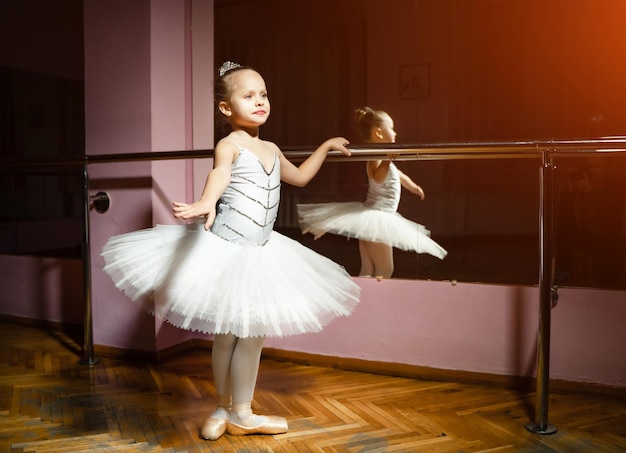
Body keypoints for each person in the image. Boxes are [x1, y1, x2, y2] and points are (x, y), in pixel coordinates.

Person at [101, 61, 360, 441]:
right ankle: (233, 409)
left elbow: (301, 177)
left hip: (263, 252)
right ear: (226, 108)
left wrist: (325, 146)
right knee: (233, 333)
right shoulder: (230, 144)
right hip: (228, 249)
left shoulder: (270, 147)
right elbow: (219, 173)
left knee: (246, 332)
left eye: (264, 94)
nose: (260, 101)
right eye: (248, 95)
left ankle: (235, 410)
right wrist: (207, 201)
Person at [297, 106, 447, 279]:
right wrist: (387, 160)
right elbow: (377, 177)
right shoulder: (376, 155)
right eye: (391, 128)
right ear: (379, 133)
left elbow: (396, 174)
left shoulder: (381, 156)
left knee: (368, 269)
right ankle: (376, 303)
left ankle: (362, 301)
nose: (395, 133)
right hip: (379, 218)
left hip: (373, 218)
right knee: (385, 269)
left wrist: (412, 186)